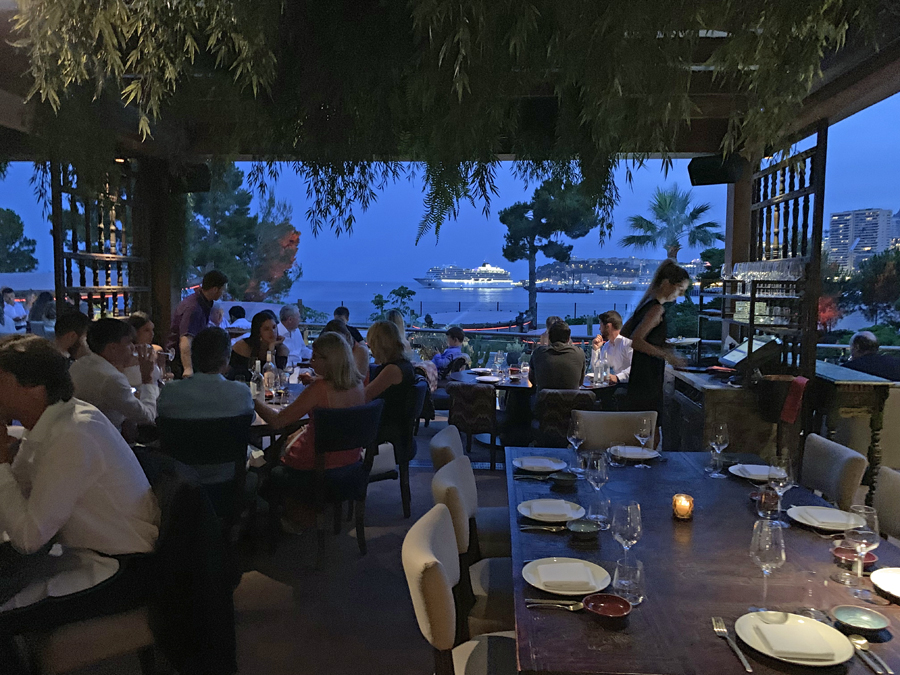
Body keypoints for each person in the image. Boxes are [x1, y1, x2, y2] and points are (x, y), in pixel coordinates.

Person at [0, 335, 158, 667]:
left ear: (34, 388)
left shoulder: (73, 432)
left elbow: (29, 538)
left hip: (119, 567)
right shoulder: (52, 420)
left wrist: (0, 464)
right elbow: (21, 489)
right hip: (80, 549)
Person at [256, 332, 366, 523]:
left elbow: (278, 421)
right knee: (281, 445)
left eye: (315, 357)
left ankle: (284, 517)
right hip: (350, 462)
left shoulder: (320, 389)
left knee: (269, 461)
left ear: (330, 360)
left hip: (316, 466)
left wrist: (252, 400)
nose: (311, 362)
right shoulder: (357, 385)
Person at [621, 259, 690, 417]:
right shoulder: (657, 309)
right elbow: (636, 341)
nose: (681, 294)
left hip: (638, 373)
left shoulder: (645, 304)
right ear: (666, 283)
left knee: (639, 421)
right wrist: (667, 356)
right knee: (650, 423)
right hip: (649, 375)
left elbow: (625, 334)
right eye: (680, 288)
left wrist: (660, 345)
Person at [69, 318, 159, 432]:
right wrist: (147, 378)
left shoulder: (79, 364)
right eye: (128, 342)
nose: (133, 347)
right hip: (104, 437)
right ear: (113, 348)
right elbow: (147, 417)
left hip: (79, 432)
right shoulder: (111, 378)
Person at [157, 328, 253, 420]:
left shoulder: (169, 393)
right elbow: (250, 420)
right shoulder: (242, 394)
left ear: (192, 356)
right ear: (227, 358)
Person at [165, 270, 228, 378]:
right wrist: (188, 369)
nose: (223, 293)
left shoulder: (202, 302)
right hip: (180, 362)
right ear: (215, 289)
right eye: (223, 290)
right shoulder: (193, 308)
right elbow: (186, 339)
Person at [365, 320, 416, 453]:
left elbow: (365, 396)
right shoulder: (405, 365)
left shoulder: (392, 370)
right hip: (399, 429)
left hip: (388, 433)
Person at [228, 311, 289, 381]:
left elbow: (274, 378)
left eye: (274, 327)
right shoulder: (242, 346)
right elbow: (230, 371)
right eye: (266, 329)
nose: (272, 331)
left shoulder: (282, 350)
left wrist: (271, 349)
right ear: (258, 332)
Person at [529, 321, 586, 392]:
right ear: (568, 339)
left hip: (544, 398)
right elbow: (580, 382)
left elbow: (532, 380)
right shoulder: (579, 353)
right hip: (572, 398)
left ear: (549, 338)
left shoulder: (538, 353)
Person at [590, 310, 633, 384]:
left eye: (601, 325)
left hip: (628, 385)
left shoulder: (627, 342)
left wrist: (617, 377)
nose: (599, 329)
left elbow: (636, 366)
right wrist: (596, 350)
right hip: (615, 385)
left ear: (608, 326)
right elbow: (597, 371)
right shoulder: (607, 346)